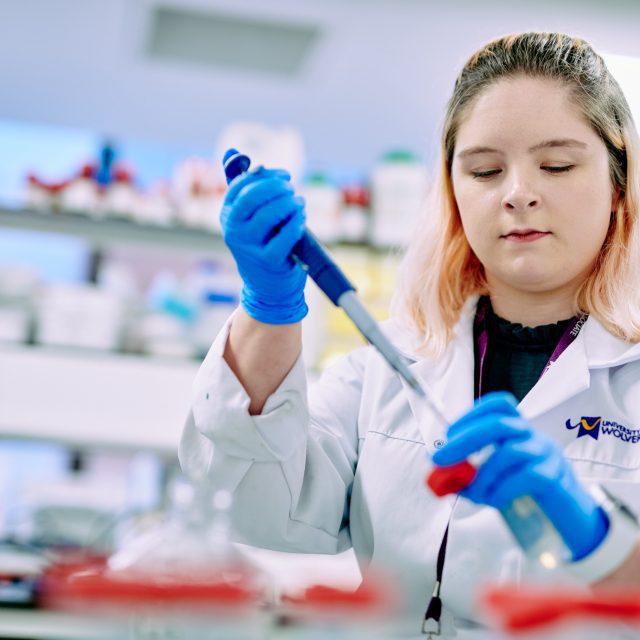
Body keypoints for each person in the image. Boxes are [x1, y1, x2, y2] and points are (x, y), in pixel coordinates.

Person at [179, 32, 640, 636]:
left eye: (556, 164)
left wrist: (602, 540)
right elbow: (253, 505)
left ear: (617, 183)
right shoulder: (388, 363)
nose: (517, 193)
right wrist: (269, 305)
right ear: (453, 192)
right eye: (484, 170)